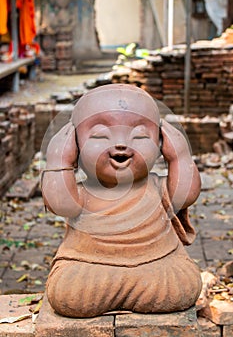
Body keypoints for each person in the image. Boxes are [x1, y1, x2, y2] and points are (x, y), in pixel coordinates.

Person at [41, 83, 202, 318]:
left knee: (183, 282)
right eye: (99, 135)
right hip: (90, 264)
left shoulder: (155, 187)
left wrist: (179, 155)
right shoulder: (84, 193)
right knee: (68, 291)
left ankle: (124, 289)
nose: (121, 144)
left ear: (160, 143)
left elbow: (186, 194)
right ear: (74, 144)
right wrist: (58, 160)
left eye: (139, 135)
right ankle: (131, 290)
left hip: (156, 262)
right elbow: (61, 204)